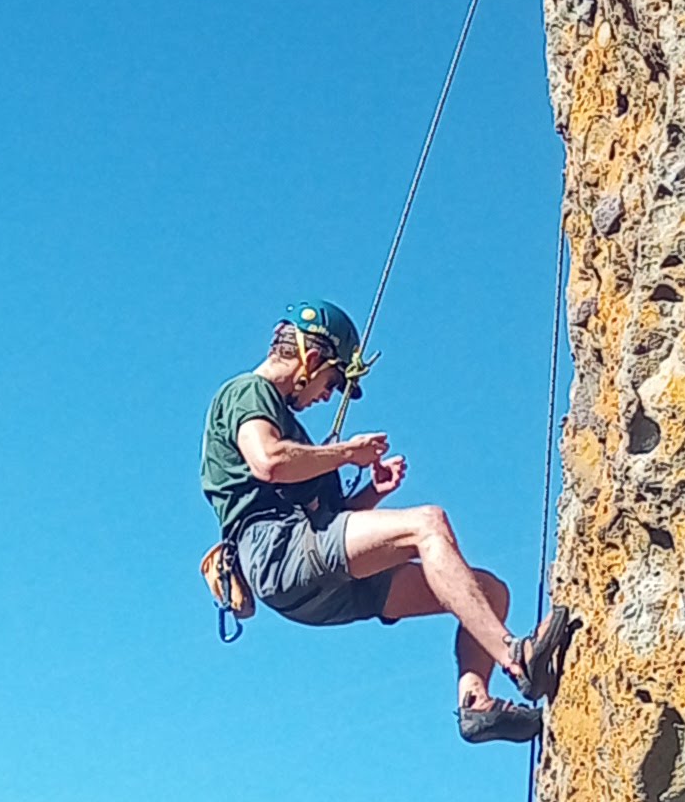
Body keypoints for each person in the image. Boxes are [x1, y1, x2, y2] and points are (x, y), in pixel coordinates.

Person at [200, 302, 574, 743]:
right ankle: (519, 658)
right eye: (334, 382)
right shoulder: (249, 392)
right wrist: (347, 454)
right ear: (313, 358)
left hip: (309, 579)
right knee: (427, 525)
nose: (327, 395)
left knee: (489, 591)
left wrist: (374, 493)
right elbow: (268, 461)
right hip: (277, 551)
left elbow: (334, 532)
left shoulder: (291, 429)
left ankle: (476, 703)